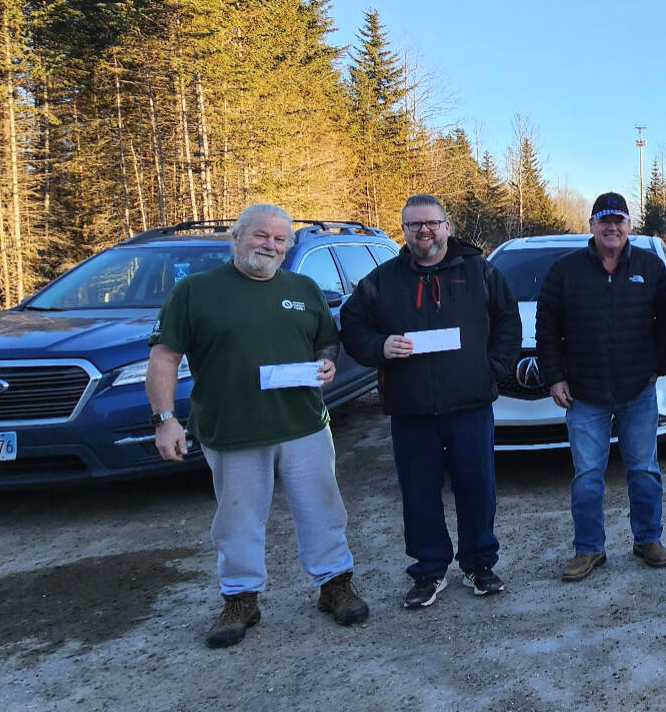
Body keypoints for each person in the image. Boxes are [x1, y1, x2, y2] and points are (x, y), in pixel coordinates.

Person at [147, 203, 369, 649]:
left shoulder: (303, 288)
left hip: (303, 424)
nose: (270, 245)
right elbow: (164, 358)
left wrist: (326, 364)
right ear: (236, 238)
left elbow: (327, 340)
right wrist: (165, 420)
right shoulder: (195, 292)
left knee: (323, 508)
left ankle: (335, 586)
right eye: (260, 236)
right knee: (238, 519)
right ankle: (240, 599)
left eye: (280, 239)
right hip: (233, 430)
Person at [340, 194, 520, 606]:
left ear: (447, 227)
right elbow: (351, 326)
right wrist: (380, 346)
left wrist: (493, 368)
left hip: (470, 405)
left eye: (432, 223)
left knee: (477, 488)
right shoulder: (382, 279)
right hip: (411, 408)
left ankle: (479, 564)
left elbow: (508, 320)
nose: (425, 231)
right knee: (419, 494)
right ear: (402, 231)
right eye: (415, 225)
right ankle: (429, 569)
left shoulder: (480, 272)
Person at [535, 192, 666, 582]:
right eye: (604, 220)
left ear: (629, 226)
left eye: (619, 220)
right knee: (587, 475)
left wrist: (660, 365)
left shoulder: (648, 267)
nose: (612, 227)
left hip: (637, 391)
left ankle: (648, 539)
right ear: (592, 226)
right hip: (585, 394)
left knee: (644, 470)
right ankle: (589, 549)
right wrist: (555, 376)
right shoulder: (565, 271)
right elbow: (547, 329)